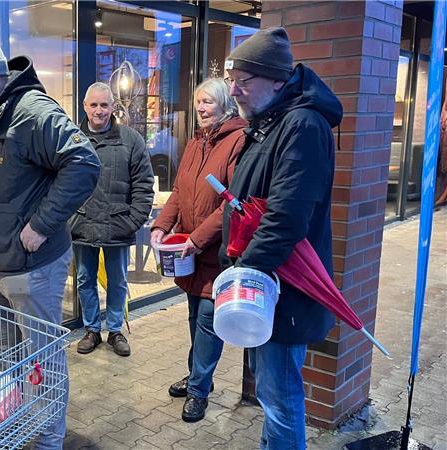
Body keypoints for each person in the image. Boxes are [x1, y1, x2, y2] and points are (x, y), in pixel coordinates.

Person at [0, 29, 100, 449]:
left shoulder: (33, 113)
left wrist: (42, 225)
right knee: (2, 359)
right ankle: (12, 430)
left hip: (31, 265)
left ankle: (47, 441)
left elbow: (84, 163)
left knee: (41, 360)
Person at [220, 27, 341, 448]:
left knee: (280, 397)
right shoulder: (269, 122)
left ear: (276, 79)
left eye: (244, 80)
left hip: (283, 288)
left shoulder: (301, 125)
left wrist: (245, 275)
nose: (234, 89)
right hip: (269, 287)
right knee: (271, 393)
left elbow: (286, 218)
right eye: (230, 78)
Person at [151, 77, 247, 422]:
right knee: (194, 315)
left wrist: (196, 239)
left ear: (224, 103)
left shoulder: (237, 140)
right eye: (198, 102)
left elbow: (232, 204)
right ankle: (196, 376)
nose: (201, 108)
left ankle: (199, 391)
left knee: (207, 320)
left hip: (216, 251)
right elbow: (178, 192)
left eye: (208, 102)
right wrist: (161, 227)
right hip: (189, 251)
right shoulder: (195, 142)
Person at [71, 82, 154, 357]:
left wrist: (133, 221)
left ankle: (115, 330)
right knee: (85, 279)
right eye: (93, 105)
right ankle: (92, 330)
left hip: (118, 225)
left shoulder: (131, 140)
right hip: (81, 224)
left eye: (104, 105)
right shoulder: (71, 139)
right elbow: (57, 180)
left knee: (118, 280)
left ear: (113, 107)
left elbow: (143, 185)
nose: (98, 110)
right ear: (85, 106)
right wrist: (67, 219)